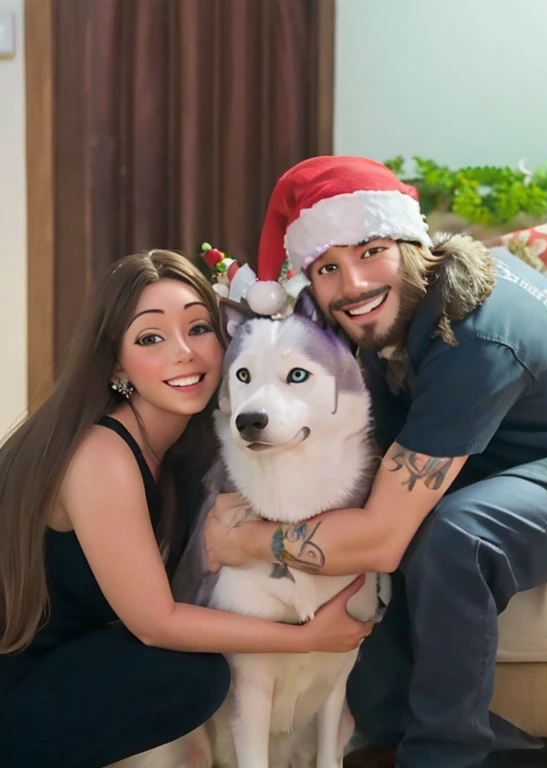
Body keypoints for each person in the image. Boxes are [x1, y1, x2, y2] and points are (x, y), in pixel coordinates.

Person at [204, 156, 547, 768]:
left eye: (370, 250)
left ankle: (440, 755)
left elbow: (379, 539)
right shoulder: (406, 305)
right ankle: (387, 734)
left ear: (411, 243)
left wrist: (248, 542)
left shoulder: (474, 339)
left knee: (454, 534)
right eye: (328, 266)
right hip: (506, 447)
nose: (352, 283)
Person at [0, 248, 372, 768]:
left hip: (72, 663)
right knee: (192, 676)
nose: (185, 353)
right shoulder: (101, 455)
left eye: (199, 328)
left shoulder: (197, 448)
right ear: (115, 363)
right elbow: (156, 623)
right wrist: (307, 637)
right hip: (19, 689)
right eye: (151, 338)